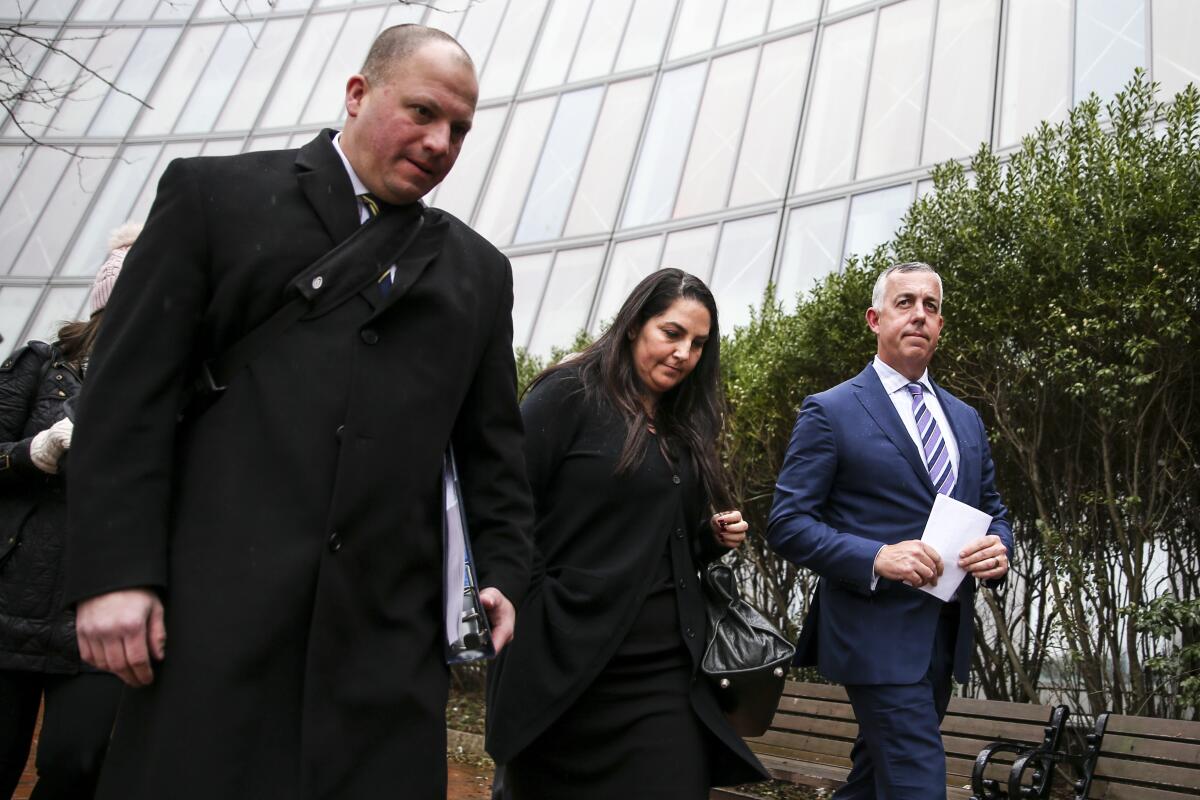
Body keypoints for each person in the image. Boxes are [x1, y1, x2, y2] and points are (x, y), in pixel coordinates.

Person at [62, 25, 533, 800]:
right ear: (357, 93)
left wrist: (505, 573)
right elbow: (126, 399)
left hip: (385, 651)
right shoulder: (213, 197)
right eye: (422, 111)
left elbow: (492, 452)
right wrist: (115, 574)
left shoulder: (480, 272)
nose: (441, 141)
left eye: (460, 128)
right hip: (214, 623)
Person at [486, 268, 768, 799]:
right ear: (636, 324)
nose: (685, 353)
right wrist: (544, 602)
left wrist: (708, 538)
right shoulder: (568, 393)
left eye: (699, 343)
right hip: (569, 666)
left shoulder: (683, 422)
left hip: (663, 674)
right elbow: (505, 502)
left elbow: (651, 536)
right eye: (672, 332)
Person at [767, 261, 1013, 799]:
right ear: (875, 319)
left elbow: (993, 509)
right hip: (872, 637)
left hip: (942, 640)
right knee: (918, 784)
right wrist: (877, 557)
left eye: (931, 306)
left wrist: (1002, 548)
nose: (919, 315)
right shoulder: (830, 411)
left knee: (873, 781)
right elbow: (786, 523)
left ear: (941, 327)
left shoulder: (966, 419)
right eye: (905, 303)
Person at [0, 223, 138, 799]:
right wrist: (35, 454)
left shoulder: (172, 389)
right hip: (12, 601)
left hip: (102, 608)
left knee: (79, 763)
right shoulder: (39, 366)